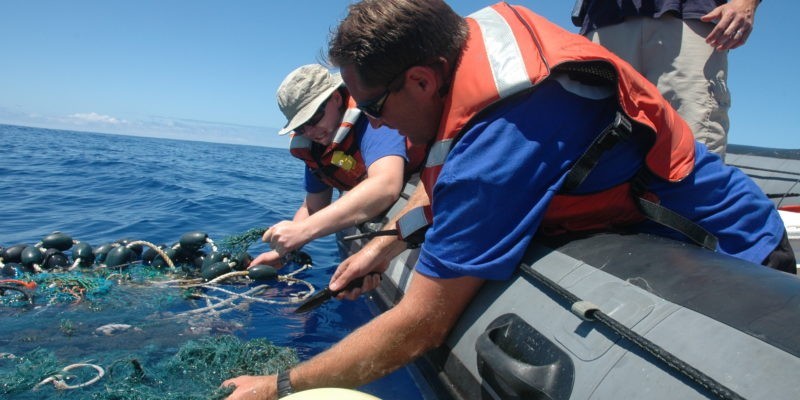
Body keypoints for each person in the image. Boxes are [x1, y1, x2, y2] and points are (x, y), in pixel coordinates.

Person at [223, 2, 793, 398]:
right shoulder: (463, 52)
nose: (375, 122)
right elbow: (449, 189)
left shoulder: (500, 143)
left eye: (371, 107)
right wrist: (389, 242)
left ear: (421, 81)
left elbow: (421, 325)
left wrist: (278, 388)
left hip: (732, 263)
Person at [249, 64, 420, 269]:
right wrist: (283, 251)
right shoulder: (317, 148)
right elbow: (313, 206)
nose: (310, 131)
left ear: (337, 99)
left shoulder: (372, 120)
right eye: (301, 127)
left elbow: (386, 186)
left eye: (314, 118)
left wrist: (304, 231)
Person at [572, 0, 762, 159]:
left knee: (692, 151)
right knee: (590, 152)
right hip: (603, 20)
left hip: (689, 16)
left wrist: (746, 3)